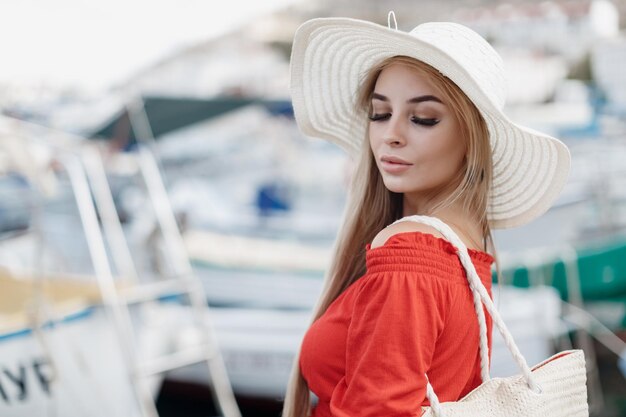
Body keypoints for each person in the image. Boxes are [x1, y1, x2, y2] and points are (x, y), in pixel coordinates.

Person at [283, 13, 570, 417]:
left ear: (473, 139)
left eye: (423, 118)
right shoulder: (467, 254)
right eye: (380, 113)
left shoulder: (412, 257)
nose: (391, 133)